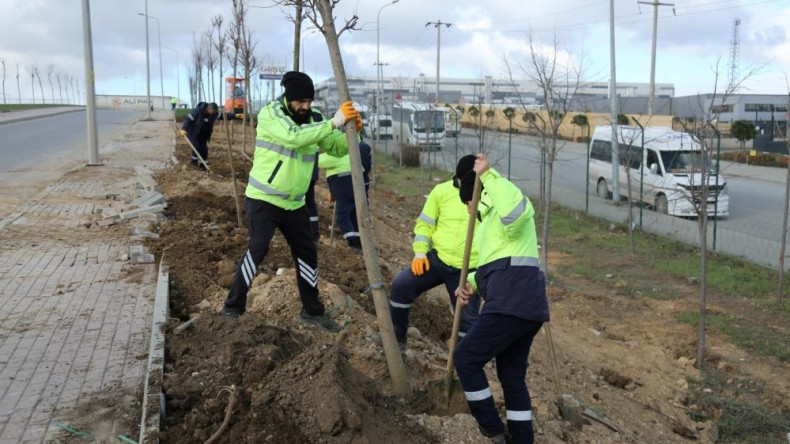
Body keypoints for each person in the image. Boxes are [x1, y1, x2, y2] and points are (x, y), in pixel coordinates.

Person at [220, 71, 361, 333]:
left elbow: (337, 148)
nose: (305, 106)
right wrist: (334, 122)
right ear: (288, 98)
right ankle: (233, 306)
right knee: (258, 248)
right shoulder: (271, 114)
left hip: (295, 204)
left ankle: (312, 311)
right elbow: (293, 136)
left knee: (307, 253)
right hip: (264, 198)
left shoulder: (316, 118)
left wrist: (354, 133)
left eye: (309, 101)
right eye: (300, 102)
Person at [453, 153, 550, 444]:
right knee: (511, 376)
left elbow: (516, 216)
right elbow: (497, 263)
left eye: (467, 203)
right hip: (525, 304)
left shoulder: (504, 199)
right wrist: (471, 283)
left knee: (466, 357)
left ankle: (492, 429)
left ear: (475, 194)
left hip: (512, 303)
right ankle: (521, 439)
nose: (469, 210)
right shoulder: (487, 226)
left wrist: (489, 175)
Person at [388, 155, 481, 348]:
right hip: (438, 259)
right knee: (400, 286)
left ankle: (460, 366)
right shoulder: (441, 191)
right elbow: (424, 225)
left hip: (469, 270)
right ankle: (397, 340)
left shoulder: (486, 197)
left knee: (469, 322)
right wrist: (420, 253)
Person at [317, 136, 373, 253]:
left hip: (344, 189)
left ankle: (353, 243)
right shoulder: (355, 150)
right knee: (353, 216)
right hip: (357, 188)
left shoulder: (339, 152)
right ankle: (359, 244)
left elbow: (319, 161)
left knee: (342, 216)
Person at [179, 102, 219, 170]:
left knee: (204, 150)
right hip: (194, 134)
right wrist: (183, 129)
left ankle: (203, 165)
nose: (213, 113)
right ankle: (194, 162)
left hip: (204, 136)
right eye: (213, 111)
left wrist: (235, 116)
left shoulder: (213, 114)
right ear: (209, 108)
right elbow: (188, 120)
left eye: (215, 112)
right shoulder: (197, 111)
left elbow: (224, 115)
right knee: (197, 147)